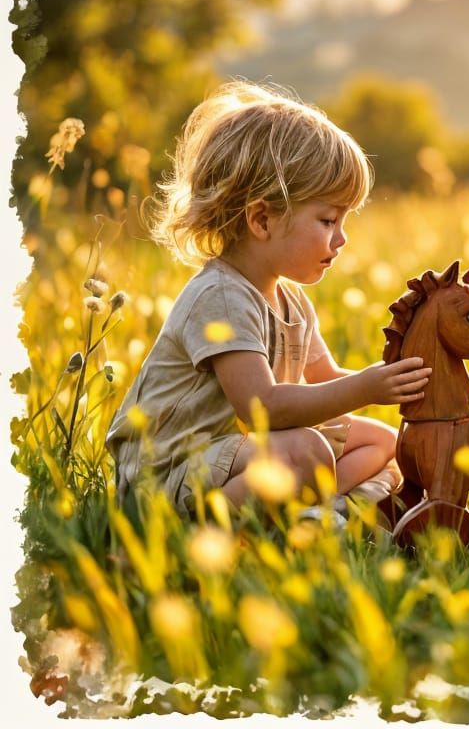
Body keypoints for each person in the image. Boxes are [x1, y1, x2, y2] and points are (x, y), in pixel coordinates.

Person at [106, 81, 430, 518]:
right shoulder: (220, 296)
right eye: (328, 220)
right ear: (261, 219)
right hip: (170, 473)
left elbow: (326, 379)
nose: (342, 238)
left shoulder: (291, 301)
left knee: (383, 441)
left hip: (238, 457)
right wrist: (366, 387)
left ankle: (321, 512)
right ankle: (204, 532)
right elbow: (262, 408)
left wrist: (398, 381)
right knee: (305, 451)